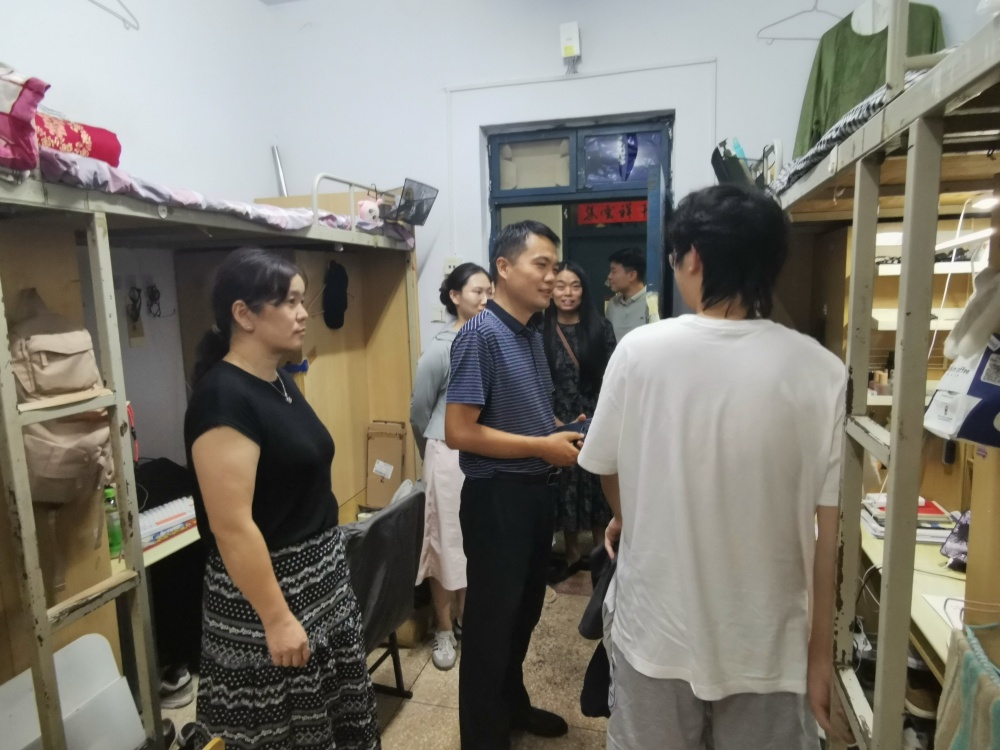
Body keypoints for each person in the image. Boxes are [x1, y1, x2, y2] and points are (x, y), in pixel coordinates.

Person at [579, 185, 851, 750]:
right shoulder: (823, 371)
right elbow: (830, 535)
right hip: (769, 645)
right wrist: (820, 657)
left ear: (694, 257)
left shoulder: (640, 352)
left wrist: (628, 516)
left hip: (658, 629)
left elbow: (607, 468)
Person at [183, 248, 379, 750]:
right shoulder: (223, 396)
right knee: (281, 732)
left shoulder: (279, 381)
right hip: (269, 601)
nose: (302, 313)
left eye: (302, 300)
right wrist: (277, 618)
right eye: (289, 302)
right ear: (243, 314)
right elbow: (231, 526)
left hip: (321, 589)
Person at [445, 220, 583, 749]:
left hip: (533, 495)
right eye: (540, 265)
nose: (552, 277)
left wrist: (563, 430)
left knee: (522, 615)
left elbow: (521, 415)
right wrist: (541, 446)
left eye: (555, 266)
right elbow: (459, 432)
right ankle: (483, 737)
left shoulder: (529, 332)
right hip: (498, 497)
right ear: (503, 267)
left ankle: (512, 706)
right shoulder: (479, 334)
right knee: (490, 627)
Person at [410, 262, 492, 671]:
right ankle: (443, 628)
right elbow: (419, 411)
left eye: (489, 291)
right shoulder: (441, 347)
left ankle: (466, 620)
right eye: (477, 291)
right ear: (455, 296)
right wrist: (432, 453)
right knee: (444, 543)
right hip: (446, 455)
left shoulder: (491, 339)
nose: (485, 299)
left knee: (474, 543)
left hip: (483, 453)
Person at [541, 260, 617, 579]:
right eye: (560, 286)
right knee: (566, 483)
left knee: (596, 480)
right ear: (551, 291)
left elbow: (613, 377)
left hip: (596, 416)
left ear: (584, 290)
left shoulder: (601, 328)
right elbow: (535, 382)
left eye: (575, 286)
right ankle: (571, 551)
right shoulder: (540, 331)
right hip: (556, 419)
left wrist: (605, 417)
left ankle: (601, 548)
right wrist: (552, 419)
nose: (567, 293)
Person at [605, 246, 659, 341]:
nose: (609, 276)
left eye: (614, 271)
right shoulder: (613, 304)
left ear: (632, 275)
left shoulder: (653, 301)